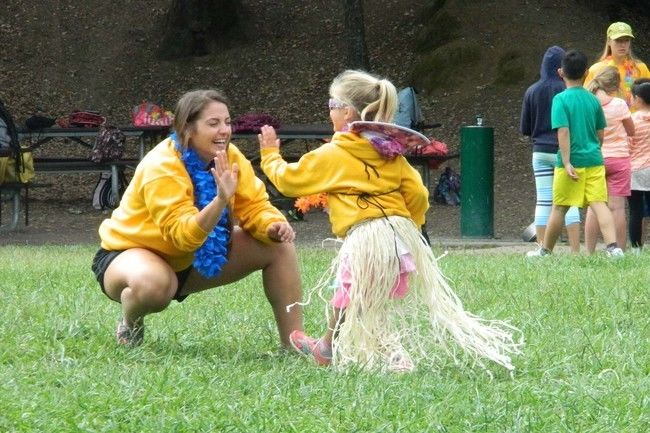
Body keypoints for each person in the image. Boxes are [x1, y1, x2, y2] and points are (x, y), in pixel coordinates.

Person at [259, 69, 522, 372]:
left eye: (332, 104)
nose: (329, 110)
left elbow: (290, 181)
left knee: (358, 294)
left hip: (367, 236)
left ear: (346, 112)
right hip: (398, 235)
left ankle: (390, 355)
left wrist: (269, 156)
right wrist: (409, 223)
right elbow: (419, 194)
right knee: (360, 294)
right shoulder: (390, 155)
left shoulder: (334, 153)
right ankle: (328, 346)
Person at [91, 89, 304, 348]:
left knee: (279, 247)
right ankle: (130, 322)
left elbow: (255, 205)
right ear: (187, 129)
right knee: (153, 285)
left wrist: (272, 225)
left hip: (189, 264)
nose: (224, 131)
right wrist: (220, 201)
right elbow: (182, 236)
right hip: (132, 257)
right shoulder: (162, 165)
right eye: (213, 123)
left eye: (227, 122)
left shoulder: (231, 156)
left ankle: (294, 344)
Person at [527, 50, 623, 257]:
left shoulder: (560, 100)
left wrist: (567, 161)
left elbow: (563, 130)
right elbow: (600, 132)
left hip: (570, 163)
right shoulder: (593, 100)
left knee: (559, 207)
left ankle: (545, 252)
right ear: (586, 72)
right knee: (599, 204)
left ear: (561, 72)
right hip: (594, 160)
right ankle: (613, 248)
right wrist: (595, 150)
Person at [520, 46, 581, 253]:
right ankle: (575, 250)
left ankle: (541, 248)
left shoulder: (532, 91)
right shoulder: (567, 91)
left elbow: (525, 128)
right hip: (563, 153)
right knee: (570, 200)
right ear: (562, 68)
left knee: (543, 200)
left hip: (539, 152)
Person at [584, 66, 635, 253]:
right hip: (619, 159)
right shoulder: (619, 104)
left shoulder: (588, 104)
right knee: (617, 208)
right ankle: (618, 250)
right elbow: (631, 130)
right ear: (615, 85)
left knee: (594, 206)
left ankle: (589, 251)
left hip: (596, 159)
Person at [584, 22, 650, 109]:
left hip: (636, 120)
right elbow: (586, 101)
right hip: (607, 120)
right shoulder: (596, 69)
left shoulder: (640, 68)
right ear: (609, 41)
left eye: (626, 40)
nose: (623, 45)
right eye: (618, 40)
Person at [628, 79, 650, 251]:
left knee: (635, 211)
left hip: (635, 171)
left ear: (638, 99)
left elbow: (628, 146)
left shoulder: (632, 121)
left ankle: (636, 248)